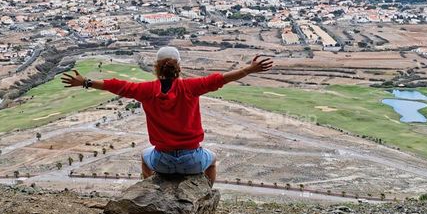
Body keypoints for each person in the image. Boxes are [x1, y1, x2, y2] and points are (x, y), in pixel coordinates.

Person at [61, 48, 273, 183]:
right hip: (193, 160)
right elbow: (221, 79)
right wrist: (249, 70)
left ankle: (151, 188)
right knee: (213, 159)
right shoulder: (192, 87)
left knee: (145, 156)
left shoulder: (145, 90)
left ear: (156, 67)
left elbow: (116, 86)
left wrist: (86, 82)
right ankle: (205, 192)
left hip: (161, 160)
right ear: (178, 67)